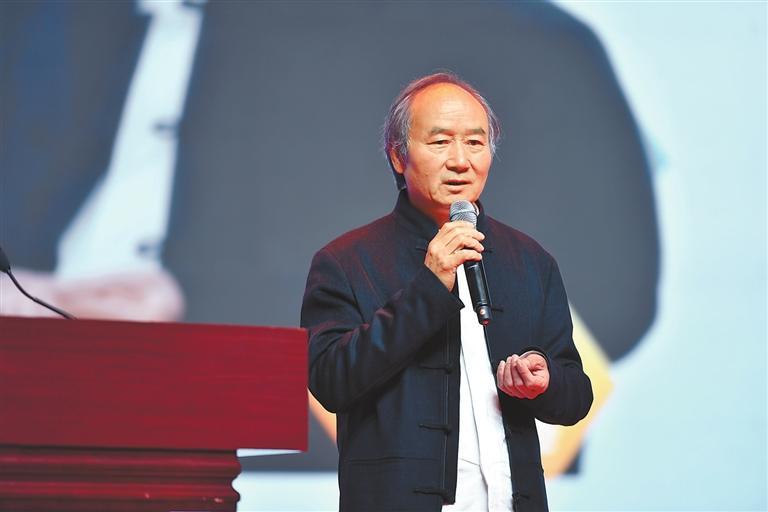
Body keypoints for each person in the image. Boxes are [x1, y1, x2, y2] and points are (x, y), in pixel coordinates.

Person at [301, 73, 593, 511]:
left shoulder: (531, 261)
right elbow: (330, 382)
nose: (460, 160)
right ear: (398, 156)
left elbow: (576, 397)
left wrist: (545, 380)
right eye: (440, 142)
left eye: (475, 143)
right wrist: (429, 287)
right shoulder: (345, 261)